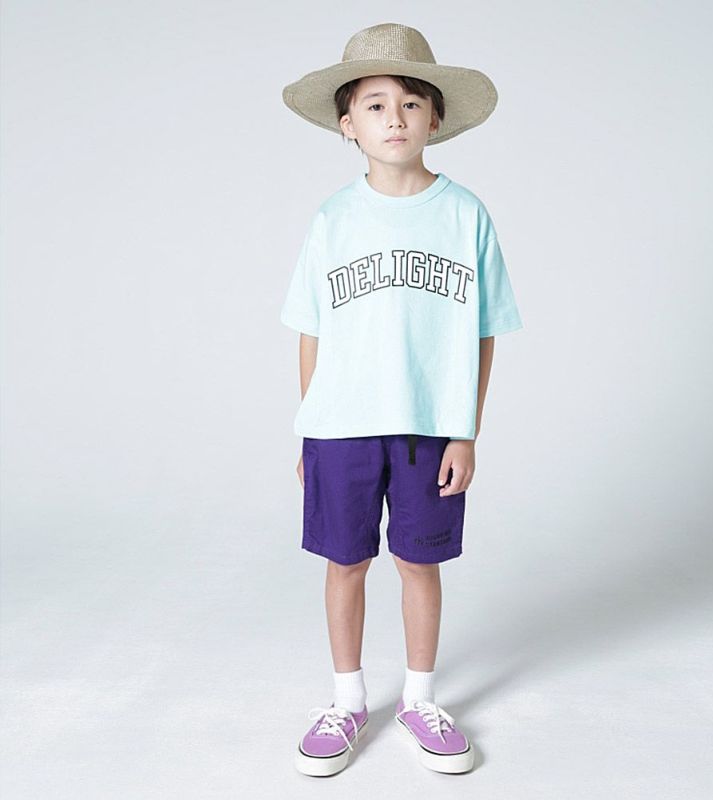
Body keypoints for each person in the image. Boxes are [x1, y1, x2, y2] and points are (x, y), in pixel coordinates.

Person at [280, 22, 522, 777]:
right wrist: (311, 428)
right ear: (347, 125)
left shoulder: (465, 214)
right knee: (345, 562)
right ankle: (347, 699)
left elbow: (483, 332)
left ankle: (420, 698)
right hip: (341, 427)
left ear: (435, 118)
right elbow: (311, 332)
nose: (395, 118)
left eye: (411, 103)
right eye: (376, 105)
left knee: (420, 562)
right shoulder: (333, 218)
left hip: (428, 429)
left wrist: (465, 432)